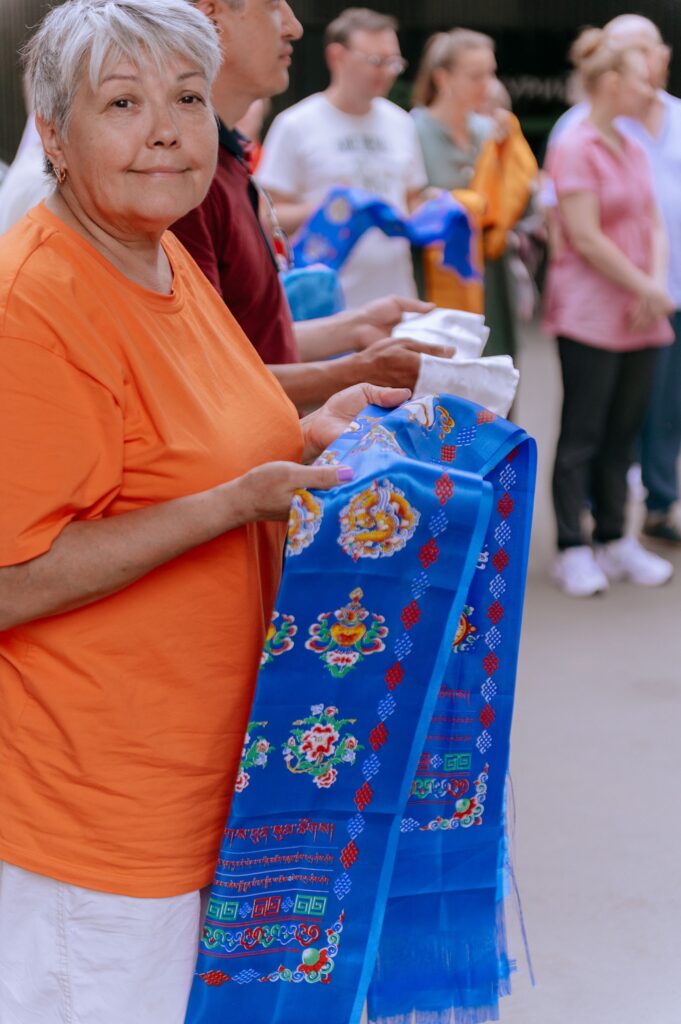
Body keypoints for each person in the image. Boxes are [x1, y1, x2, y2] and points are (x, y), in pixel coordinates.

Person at [0, 2, 410, 1021]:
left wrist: (316, 430)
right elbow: (13, 577)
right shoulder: (34, 300)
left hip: (213, 783)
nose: (169, 131)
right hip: (97, 816)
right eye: (124, 103)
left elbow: (209, 425)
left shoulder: (158, 250)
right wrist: (235, 502)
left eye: (186, 97)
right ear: (54, 134)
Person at [172, 0, 450, 411]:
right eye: (272, 7)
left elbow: (251, 338)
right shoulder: (184, 175)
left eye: (393, 62)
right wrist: (357, 370)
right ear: (212, 15)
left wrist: (356, 328)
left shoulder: (224, 157)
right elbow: (205, 374)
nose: (294, 27)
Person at [542, 27, 674, 597]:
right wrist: (646, 283)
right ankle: (573, 545)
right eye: (642, 79)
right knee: (583, 433)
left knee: (625, 431)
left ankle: (617, 539)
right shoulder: (575, 144)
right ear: (614, 82)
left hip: (641, 312)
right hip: (590, 311)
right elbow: (586, 238)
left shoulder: (630, 143)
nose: (650, 89)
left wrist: (655, 285)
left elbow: (652, 219)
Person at [255, 7, 428, 308]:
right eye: (376, 61)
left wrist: (437, 210)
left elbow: (413, 198)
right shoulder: (296, 124)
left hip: (397, 299)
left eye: (394, 62)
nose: (386, 72)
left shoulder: (402, 123)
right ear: (337, 56)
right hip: (323, 305)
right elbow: (266, 215)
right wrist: (334, 210)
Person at [411, 29, 537, 359]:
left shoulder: (492, 132)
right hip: (439, 282)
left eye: (491, 73)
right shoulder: (412, 131)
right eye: (476, 76)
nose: (489, 85)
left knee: (497, 374)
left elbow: (523, 206)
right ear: (443, 78)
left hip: (493, 280)